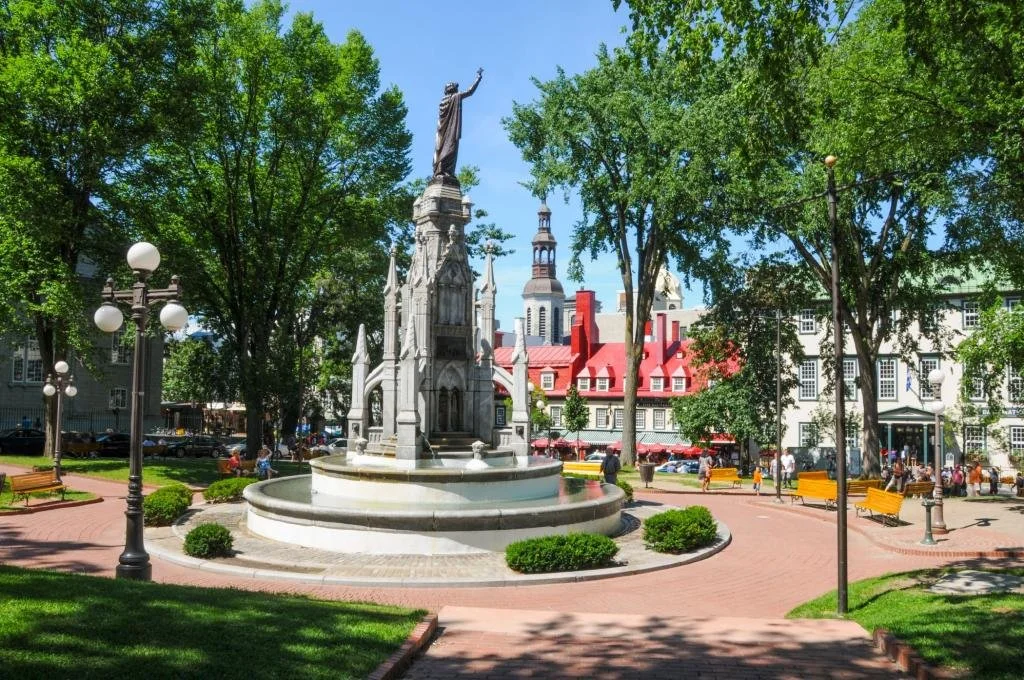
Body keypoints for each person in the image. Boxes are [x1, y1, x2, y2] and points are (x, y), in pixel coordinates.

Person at [433, 68, 483, 177]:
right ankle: (445, 171)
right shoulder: (456, 97)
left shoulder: (442, 101)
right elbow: (470, 91)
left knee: (442, 148)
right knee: (451, 148)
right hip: (450, 130)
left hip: (442, 132)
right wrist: (478, 79)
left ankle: (441, 170)